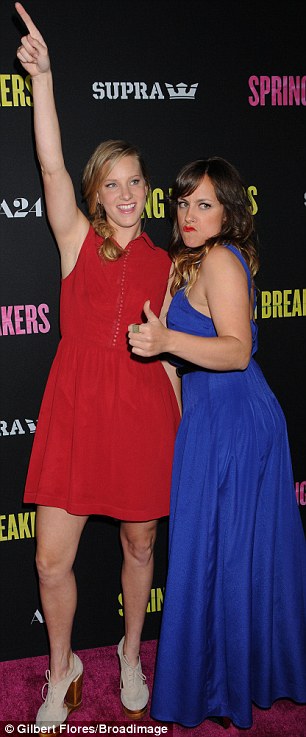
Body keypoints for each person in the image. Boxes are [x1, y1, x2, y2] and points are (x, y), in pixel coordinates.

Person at [15, 2, 180, 729]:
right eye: (111, 182)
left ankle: (132, 651)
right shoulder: (75, 239)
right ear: (95, 192)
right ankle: (62, 668)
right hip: (77, 406)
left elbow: (178, 351)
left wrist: (179, 413)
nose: (123, 193)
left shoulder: (170, 265)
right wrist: (44, 79)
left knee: (141, 542)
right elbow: (50, 159)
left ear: (149, 191)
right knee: (52, 560)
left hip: (144, 409)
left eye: (134, 181)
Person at [128, 157, 306, 730]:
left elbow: (236, 351)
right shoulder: (190, 262)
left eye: (203, 204)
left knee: (228, 552)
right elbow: (181, 366)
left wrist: (165, 340)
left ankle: (230, 682)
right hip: (208, 423)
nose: (188, 213)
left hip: (238, 421)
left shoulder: (224, 259)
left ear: (228, 212)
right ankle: (228, 675)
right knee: (217, 551)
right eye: (183, 203)